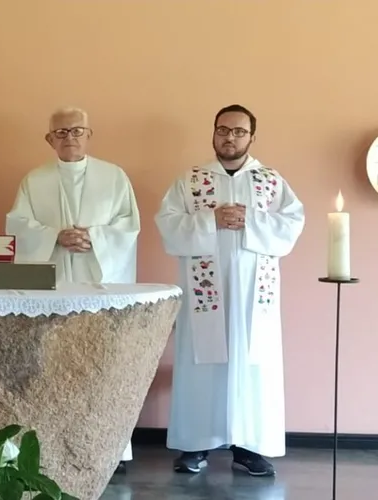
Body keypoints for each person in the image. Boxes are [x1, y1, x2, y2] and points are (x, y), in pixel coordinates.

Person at [155, 104, 305, 477]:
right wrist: (210, 219)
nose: (230, 137)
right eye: (224, 130)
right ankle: (196, 445)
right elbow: (168, 225)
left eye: (239, 131)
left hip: (256, 295)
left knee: (254, 364)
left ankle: (250, 448)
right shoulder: (190, 180)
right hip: (206, 294)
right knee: (202, 364)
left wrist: (249, 219)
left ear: (252, 137)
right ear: (214, 133)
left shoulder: (270, 180)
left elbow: (291, 224)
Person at [4, 106, 140, 473]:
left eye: (76, 131)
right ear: (49, 139)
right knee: (50, 363)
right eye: (61, 133)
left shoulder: (114, 177)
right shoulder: (34, 180)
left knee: (103, 362)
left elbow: (129, 225)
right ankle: (47, 445)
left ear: (89, 134)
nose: (69, 138)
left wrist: (94, 238)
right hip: (53, 282)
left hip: (98, 279)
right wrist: (54, 236)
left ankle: (111, 448)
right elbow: (17, 223)